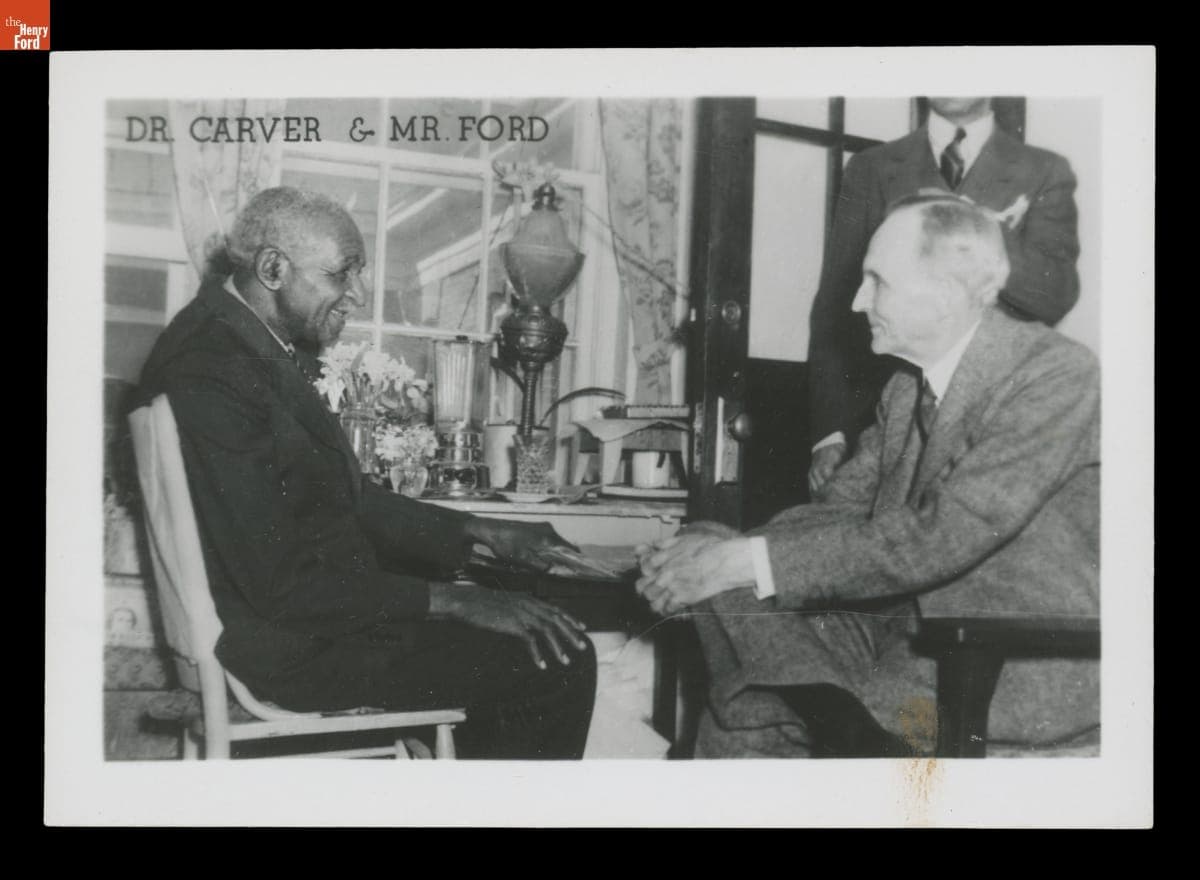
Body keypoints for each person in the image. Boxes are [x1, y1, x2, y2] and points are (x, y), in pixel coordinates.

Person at [135, 186, 596, 759]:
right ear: (273, 268)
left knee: (518, 630)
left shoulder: (236, 343)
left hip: (301, 629)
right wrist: (456, 601)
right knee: (560, 656)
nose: (357, 292)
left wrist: (479, 529)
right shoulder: (213, 368)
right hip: (291, 651)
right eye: (341, 273)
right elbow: (281, 584)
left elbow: (343, 496)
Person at [637, 194, 1099, 757]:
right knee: (706, 543)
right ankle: (825, 713)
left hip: (991, 663)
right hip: (889, 635)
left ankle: (808, 710)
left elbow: (943, 535)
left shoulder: (1056, 374)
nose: (858, 302)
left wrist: (739, 562)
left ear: (946, 292)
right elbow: (836, 512)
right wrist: (711, 556)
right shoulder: (904, 390)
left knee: (748, 701)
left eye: (877, 281)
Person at [807, 96, 1081, 499]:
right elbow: (836, 304)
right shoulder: (871, 168)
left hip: (993, 408)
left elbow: (1055, 294)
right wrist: (829, 432)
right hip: (885, 417)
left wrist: (975, 227)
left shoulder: (1043, 170)